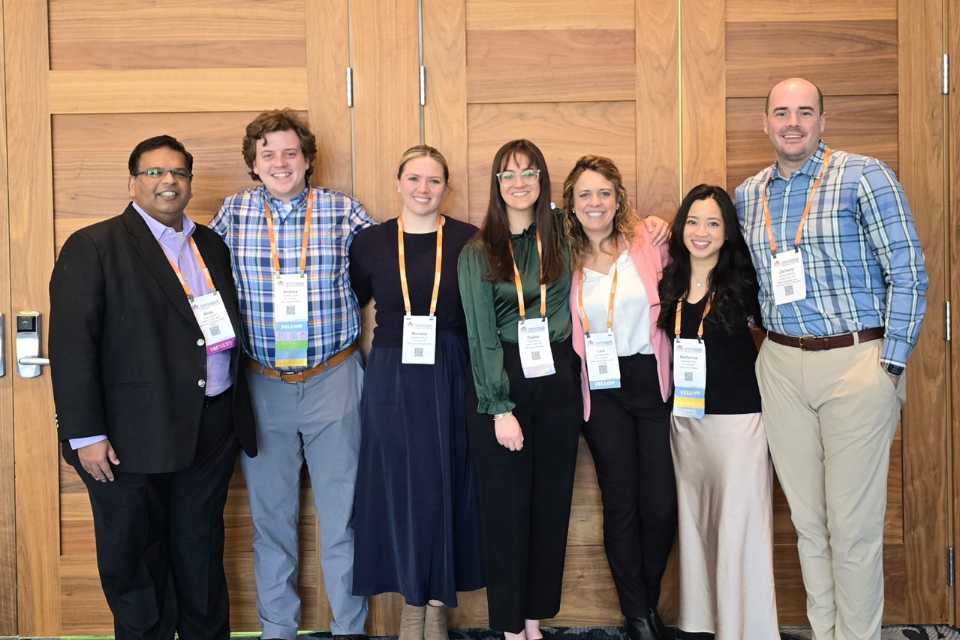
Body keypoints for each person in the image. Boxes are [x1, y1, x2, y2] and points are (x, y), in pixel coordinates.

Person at [735, 77, 928, 640]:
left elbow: (909, 274)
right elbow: (727, 267)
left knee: (854, 527)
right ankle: (826, 633)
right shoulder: (749, 195)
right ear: (765, 122)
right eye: (780, 112)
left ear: (823, 120)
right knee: (809, 524)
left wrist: (887, 367)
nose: (791, 122)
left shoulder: (864, 176)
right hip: (780, 367)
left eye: (804, 111)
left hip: (856, 364)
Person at [49, 135, 257, 640]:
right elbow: (72, 345)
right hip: (128, 437)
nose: (168, 181)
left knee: (200, 553)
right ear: (133, 182)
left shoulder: (210, 244)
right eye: (154, 173)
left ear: (189, 183)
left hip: (210, 428)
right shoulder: (94, 245)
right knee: (137, 563)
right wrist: (84, 434)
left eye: (179, 173)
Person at [211, 109, 375, 640]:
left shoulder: (342, 210)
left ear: (307, 160)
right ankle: (277, 629)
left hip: (334, 380)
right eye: (268, 154)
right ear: (253, 164)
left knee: (343, 520)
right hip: (262, 387)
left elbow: (389, 267)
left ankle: (350, 629)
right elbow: (197, 281)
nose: (280, 163)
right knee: (271, 523)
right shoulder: (231, 214)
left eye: (289, 153)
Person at [350, 145, 484, 639]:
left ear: (446, 187)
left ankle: (436, 605)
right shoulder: (370, 243)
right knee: (400, 487)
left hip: (450, 370)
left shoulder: (470, 240)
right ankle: (412, 604)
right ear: (398, 181)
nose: (423, 189)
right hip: (392, 372)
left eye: (433, 180)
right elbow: (358, 299)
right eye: (414, 178)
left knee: (444, 482)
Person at [457, 139, 582, 640]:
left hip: (557, 378)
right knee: (507, 512)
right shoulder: (478, 250)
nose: (519, 182)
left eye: (529, 173)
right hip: (503, 379)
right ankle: (509, 628)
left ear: (542, 181)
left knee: (550, 507)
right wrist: (498, 406)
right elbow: (480, 333)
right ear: (496, 184)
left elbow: (616, 227)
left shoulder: (562, 241)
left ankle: (533, 622)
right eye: (508, 174)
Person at [657, 184, 778, 640]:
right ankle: (704, 622)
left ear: (728, 231)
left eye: (713, 222)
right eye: (692, 221)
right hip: (687, 425)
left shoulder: (746, 284)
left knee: (737, 528)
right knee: (698, 525)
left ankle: (745, 629)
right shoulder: (670, 280)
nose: (701, 231)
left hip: (739, 424)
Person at [562, 155, 674, 640]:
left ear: (618, 198)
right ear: (570, 203)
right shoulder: (562, 258)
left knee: (662, 504)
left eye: (604, 192)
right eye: (585, 193)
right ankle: (639, 616)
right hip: (600, 390)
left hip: (651, 380)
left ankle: (646, 603)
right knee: (621, 502)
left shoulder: (647, 243)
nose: (595, 202)